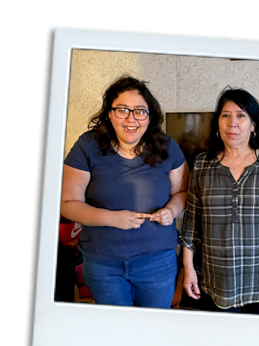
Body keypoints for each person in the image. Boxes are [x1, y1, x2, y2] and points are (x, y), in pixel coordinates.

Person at [61, 75, 189, 308]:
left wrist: (171, 211)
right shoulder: (87, 146)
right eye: (122, 110)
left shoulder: (167, 147)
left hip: (158, 263)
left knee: (151, 331)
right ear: (110, 113)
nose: (131, 119)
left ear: (150, 116)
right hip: (103, 265)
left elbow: (182, 193)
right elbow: (68, 203)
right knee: (116, 335)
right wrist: (112, 218)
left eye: (140, 111)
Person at [180, 87, 259, 315]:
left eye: (241, 115)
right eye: (225, 115)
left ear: (253, 125)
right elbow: (191, 224)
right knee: (224, 345)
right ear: (218, 123)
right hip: (217, 280)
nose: (232, 122)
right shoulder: (202, 165)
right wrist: (188, 269)